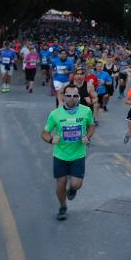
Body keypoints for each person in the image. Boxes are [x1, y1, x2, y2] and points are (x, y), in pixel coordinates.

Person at [40, 84, 95, 220]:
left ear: (79, 97)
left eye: (75, 96)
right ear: (63, 97)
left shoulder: (86, 111)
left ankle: (72, 190)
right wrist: (51, 139)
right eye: (68, 96)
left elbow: (92, 126)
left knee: (76, 184)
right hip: (60, 154)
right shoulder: (55, 114)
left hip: (78, 154)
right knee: (61, 182)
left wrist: (87, 137)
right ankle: (62, 206)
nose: (72, 99)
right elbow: (44, 133)